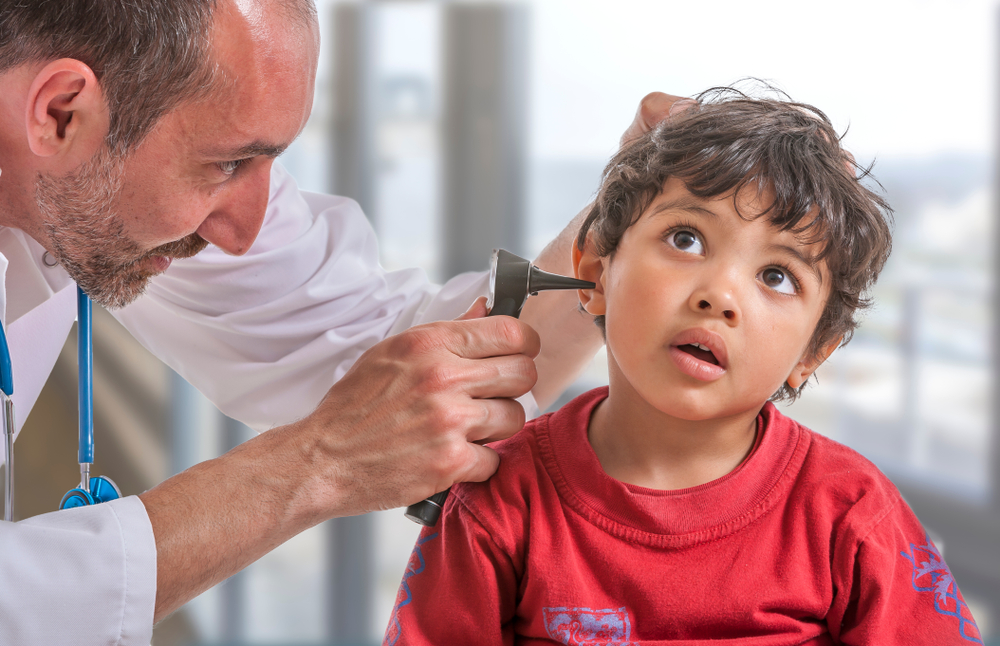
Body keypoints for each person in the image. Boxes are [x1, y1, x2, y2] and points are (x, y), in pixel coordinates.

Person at [0, 0, 690, 643]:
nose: (244, 229)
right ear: (60, 111)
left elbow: (386, 360)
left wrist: (618, 230)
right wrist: (315, 464)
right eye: (227, 164)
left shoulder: (98, 169)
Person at [383, 87, 984, 645]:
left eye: (777, 276)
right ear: (594, 274)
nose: (719, 294)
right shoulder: (499, 502)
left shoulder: (851, 512)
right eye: (686, 238)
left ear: (811, 355)